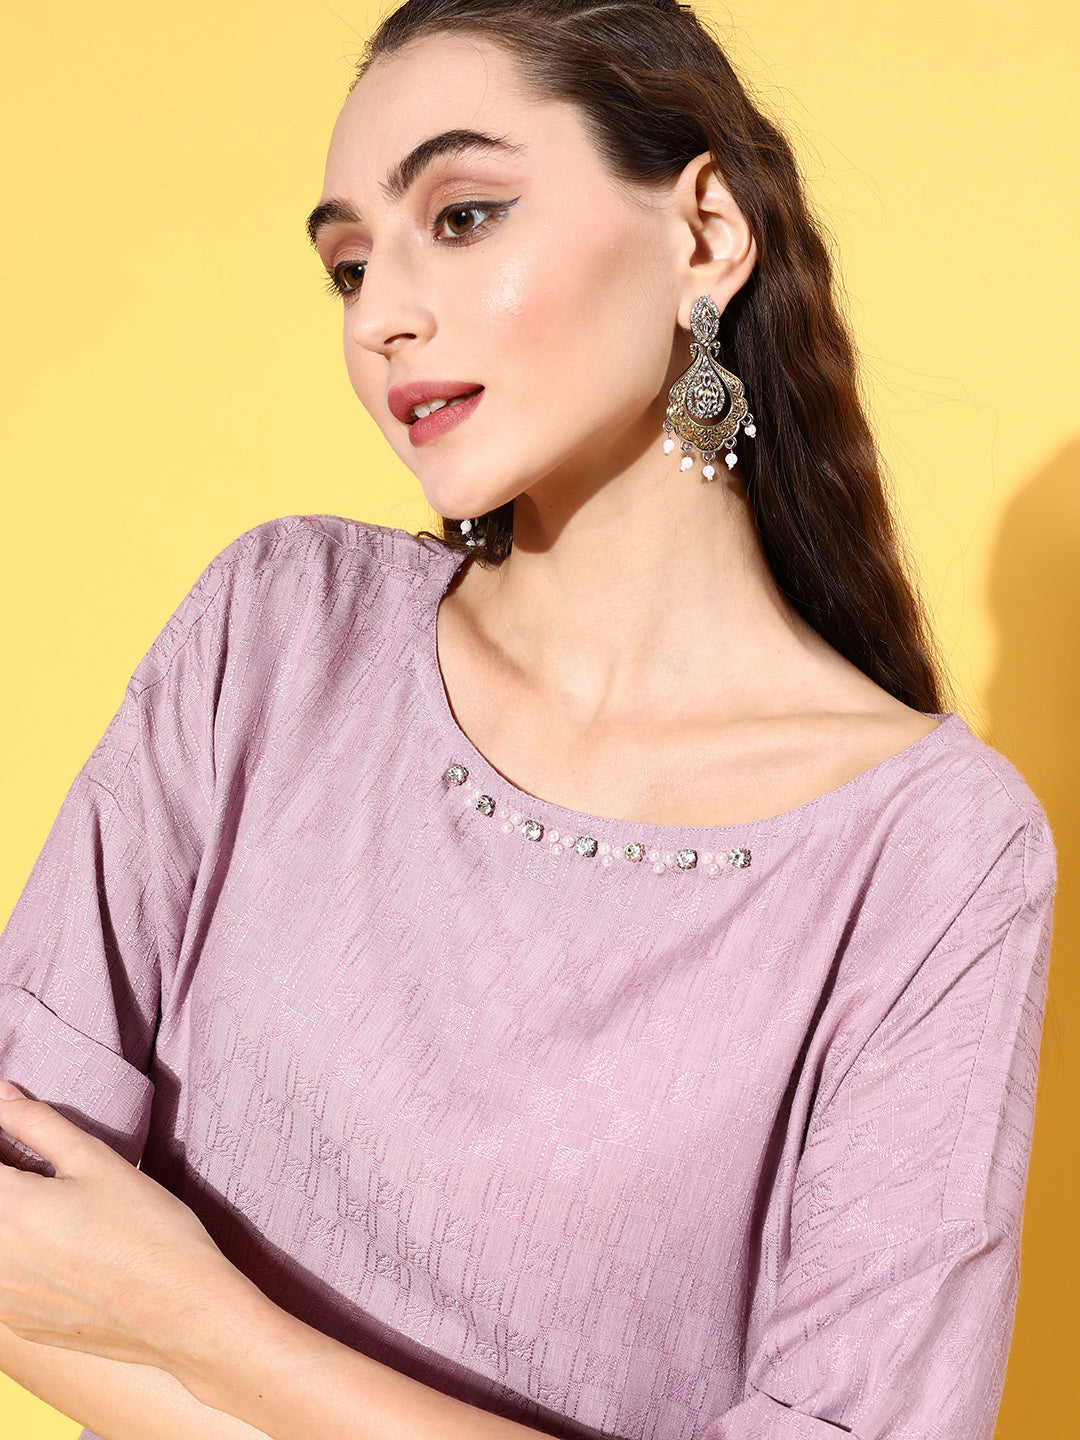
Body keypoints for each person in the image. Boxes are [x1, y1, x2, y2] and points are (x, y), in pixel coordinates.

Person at [0, 1, 1055, 1437]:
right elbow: (19, 1233)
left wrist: (195, 1320)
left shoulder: (929, 853)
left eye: (464, 216)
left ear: (704, 234)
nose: (378, 315)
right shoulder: (278, 639)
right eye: (350, 265)